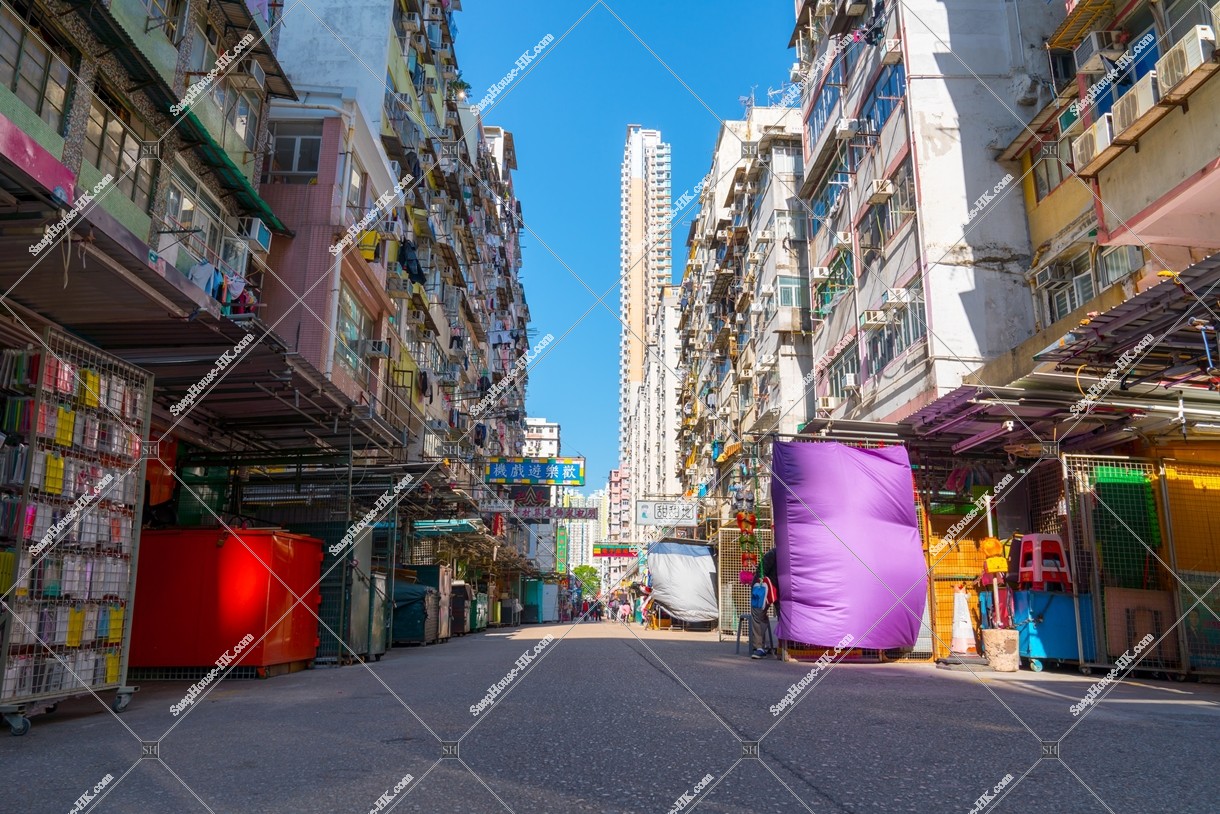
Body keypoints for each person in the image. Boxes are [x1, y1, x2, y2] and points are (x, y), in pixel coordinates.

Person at [750, 547, 780, 659]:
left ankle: (759, 647)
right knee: (783, 617)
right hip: (781, 589)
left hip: (767, 589)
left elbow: (760, 572)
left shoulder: (773, 553)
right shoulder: (793, 554)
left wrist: (756, 589)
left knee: (758, 614)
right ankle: (783, 646)